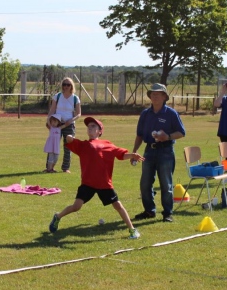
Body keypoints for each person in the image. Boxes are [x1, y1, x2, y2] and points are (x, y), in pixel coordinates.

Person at [48, 117, 145, 239]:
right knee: (76, 207)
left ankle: (132, 230)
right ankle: (57, 216)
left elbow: (121, 155)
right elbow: (69, 141)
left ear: (100, 131)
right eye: (88, 126)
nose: (90, 127)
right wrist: (69, 137)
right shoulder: (83, 145)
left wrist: (132, 155)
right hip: (88, 183)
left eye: (93, 126)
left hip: (104, 183)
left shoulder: (107, 144)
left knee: (118, 206)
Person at [132, 83, 186, 223]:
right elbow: (139, 135)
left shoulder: (171, 113)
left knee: (166, 184)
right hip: (149, 150)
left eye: (158, 94)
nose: (154, 96)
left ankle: (167, 213)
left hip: (166, 151)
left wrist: (167, 137)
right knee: (145, 183)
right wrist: (134, 151)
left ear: (164, 97)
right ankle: (149, 211)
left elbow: (181, 132)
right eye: (152, 94)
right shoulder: (145, 114)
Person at [46, 77, 81, 173]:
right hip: (57, 124)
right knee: (53, 145)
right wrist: (48, 121)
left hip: (69, 124)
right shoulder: (57, 96)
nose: (66, 86)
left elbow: (78, 114)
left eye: (68, 85)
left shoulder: (75, 98)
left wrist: (71, 120)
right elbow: (52, 110)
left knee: (68, 146)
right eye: (64, 84)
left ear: (71, 86)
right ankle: (49, 167)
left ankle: (65, 168)